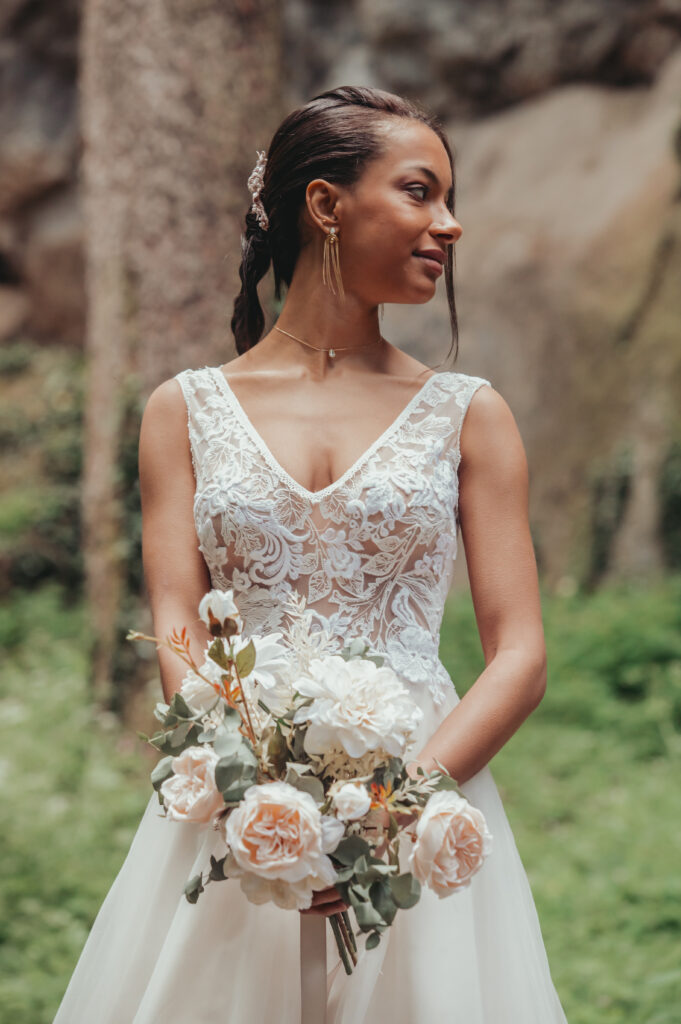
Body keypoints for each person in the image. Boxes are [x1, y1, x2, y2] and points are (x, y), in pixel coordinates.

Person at [53, 85, 568, 1022]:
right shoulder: (183, 409)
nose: (448, 226)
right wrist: (240, 780)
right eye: (420, 192)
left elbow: (520, 653)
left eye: (450, 201)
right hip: (241, 805)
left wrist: (391, 811)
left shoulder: (471, 415)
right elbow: (177, 622)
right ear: (325, 205)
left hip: (422, 796)